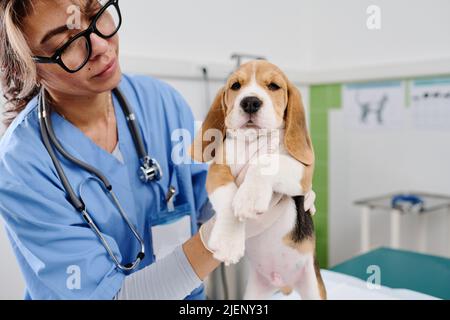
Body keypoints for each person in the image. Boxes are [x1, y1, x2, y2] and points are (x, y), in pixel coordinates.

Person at [0, 0, 315, 300]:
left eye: (96, 14)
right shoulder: (22, 164)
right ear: (26, 68)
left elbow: (204, 192)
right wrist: (216, 238)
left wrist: (267, 178)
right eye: (65, 44)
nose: (98, 45)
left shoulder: (160, 101)